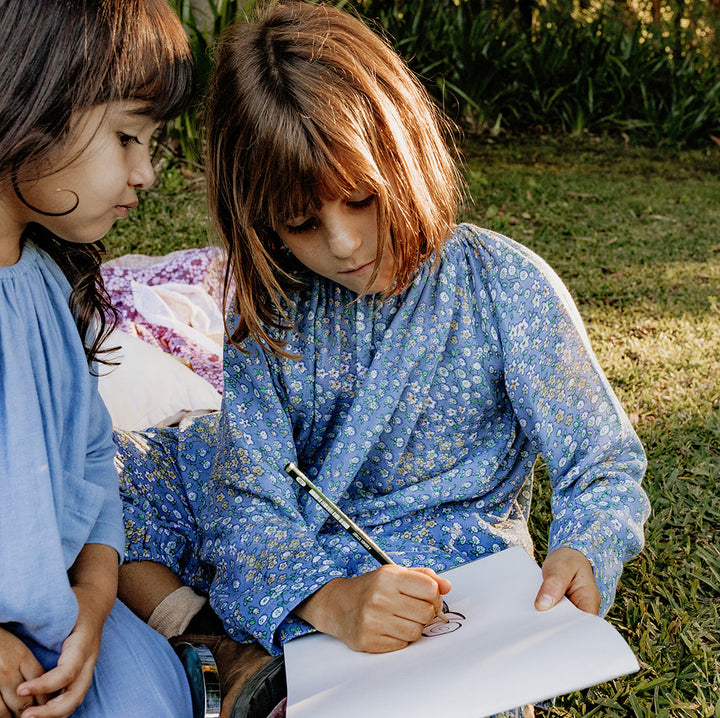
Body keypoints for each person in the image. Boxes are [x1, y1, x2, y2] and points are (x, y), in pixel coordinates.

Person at [115, 2, 651, 716]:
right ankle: (219, 644)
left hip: (439, 577)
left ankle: (247, 651)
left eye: (362, 199)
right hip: (302, 560)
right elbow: (250, 496)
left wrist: (586, 548)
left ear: (406, 151)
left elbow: (603, 460)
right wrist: (326, 600)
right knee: (103, 488)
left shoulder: (504, 286)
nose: (342, 244)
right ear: (260, 222)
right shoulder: (269, 308)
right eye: (302, 224)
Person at [0, 1, 196, 716]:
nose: (145, 173)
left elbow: (89, 459)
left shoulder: (47, 287)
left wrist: (93, 597)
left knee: (152, 697)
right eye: (126, 137)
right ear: (33, 100)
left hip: (60, 613)